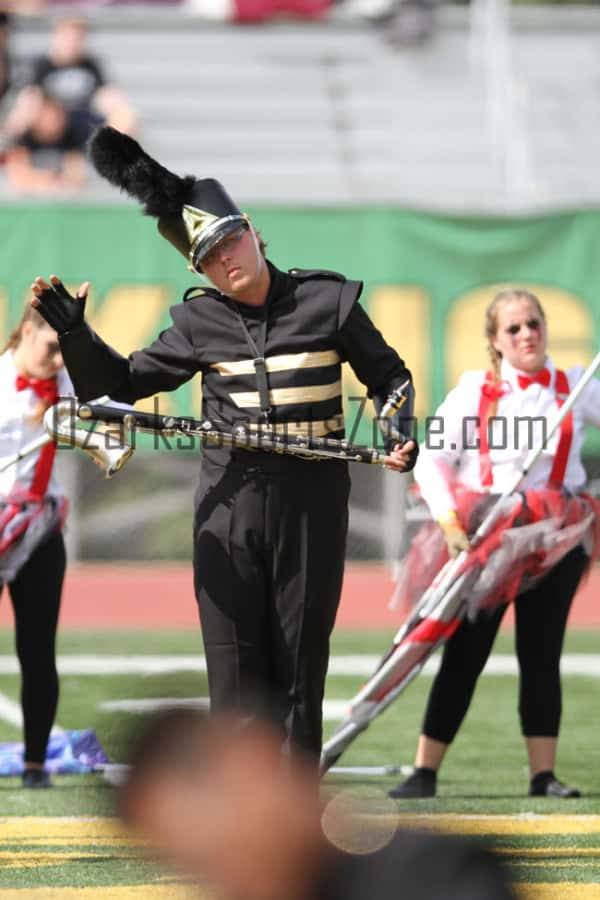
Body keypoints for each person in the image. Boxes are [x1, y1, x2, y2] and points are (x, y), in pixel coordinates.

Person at [31, 125, 418, 761]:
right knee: (235, 677)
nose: (226, 259)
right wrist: (77, 338)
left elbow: (390, 378)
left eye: (230, 241)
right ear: (199, 269)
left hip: (312, 506)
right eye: (209, 257)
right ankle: (240, 828)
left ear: (251, 230)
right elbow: (119, 387)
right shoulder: (197, 322)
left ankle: (294, 828)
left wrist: (396, 428)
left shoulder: (330, 302)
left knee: (297, 670)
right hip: (230, 506)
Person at [389, 288, 600, 800]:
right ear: (495, 341)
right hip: (487, 537)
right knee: (465, 651)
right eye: (514, 328)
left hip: (556, 537)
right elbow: (433, 460)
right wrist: (447, 521)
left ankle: (542, 775)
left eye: (534, 323)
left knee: (541, 651)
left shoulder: (577, 386)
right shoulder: (474, 393)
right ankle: (424, 772)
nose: (527, 334)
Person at [120, 707, 517, 900]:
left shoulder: (437, 877)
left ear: (253, 766)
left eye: (217, 851)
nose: (226, 881)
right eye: (199, 869)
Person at [0, 304, 72, 788]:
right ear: (27, 331)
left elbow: (121, 412)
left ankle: (35, 764)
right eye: (53, 345)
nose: (61, 358)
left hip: (39, 529)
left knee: (38, 649)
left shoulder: (69, 383)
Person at [1, 17, 137, 147]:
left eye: (78, 38)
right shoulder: (41, 65)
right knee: (29, 106)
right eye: (69, 37)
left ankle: (111, 160)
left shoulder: (91, 65)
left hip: (82, 119)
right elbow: (29, 98)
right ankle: (8, 144)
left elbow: (106, 94)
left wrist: (122, 111)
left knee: (126, 115)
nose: (72, 43)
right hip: (50, 119)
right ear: (56, 37)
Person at [5, 91, 88, 194]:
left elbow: (76, 175)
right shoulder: (24, 138)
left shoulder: (71, 135)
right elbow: (18, 176)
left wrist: (58, 183)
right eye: (46, 116)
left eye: (55, 116)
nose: (51, 121)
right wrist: (45, 180)